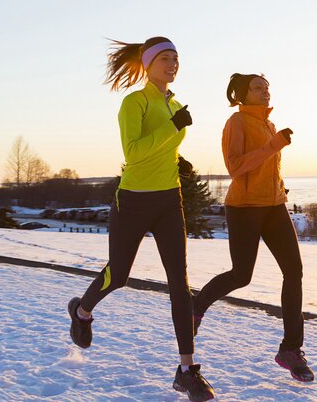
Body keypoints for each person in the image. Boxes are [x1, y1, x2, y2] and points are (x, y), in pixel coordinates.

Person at [67, 37, 215, 401]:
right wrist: (172, 128)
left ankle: (186, 370)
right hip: (132, 201)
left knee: (179, 285)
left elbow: (161, 148)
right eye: (166, 57)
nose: (173, 63)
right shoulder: (134, 102)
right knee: (118, 275)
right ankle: (82, 311)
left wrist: (179, 160)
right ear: (148, 64)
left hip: (168, 200)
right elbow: (133, 153)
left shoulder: (174, 103)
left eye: (177, 58)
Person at [193, 73, 314, 382]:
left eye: (267, 88)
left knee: (294, 272)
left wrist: (279, 188)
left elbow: (268, 168)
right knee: (241, 275)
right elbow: (235, 166)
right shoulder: (237, 122)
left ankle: (290, 349)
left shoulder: (268, 124)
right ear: (242, 94)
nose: (265, 93)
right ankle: (198, 305)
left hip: (274, 207)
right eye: (258, 88)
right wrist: (273, 146)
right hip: (244, 208)